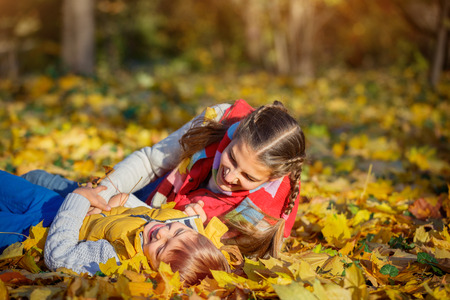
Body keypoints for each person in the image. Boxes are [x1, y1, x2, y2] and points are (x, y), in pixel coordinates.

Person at [23, 99, 306, 259]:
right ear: (235, 136)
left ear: (273, 177)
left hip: (147, 228)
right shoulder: (221, 120)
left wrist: (195, 225)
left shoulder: (262, 216)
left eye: (247, 176)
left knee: (48, 206)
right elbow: (151, 160)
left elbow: (208, 258)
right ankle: (63, 191)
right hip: (154, 192)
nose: (229, 175)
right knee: (42, 180)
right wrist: (103, 194)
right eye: (232, 158)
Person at [0, 171, 231, 286]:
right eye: (177, 232)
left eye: (161, 249)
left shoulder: (116, 257)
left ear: (154, 273)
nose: (163, 232)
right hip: (51, 203)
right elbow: (126, 201)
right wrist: (104, 207)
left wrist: (80, 200)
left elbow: (58, 256)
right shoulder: (170, 221)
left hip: (31, 233)